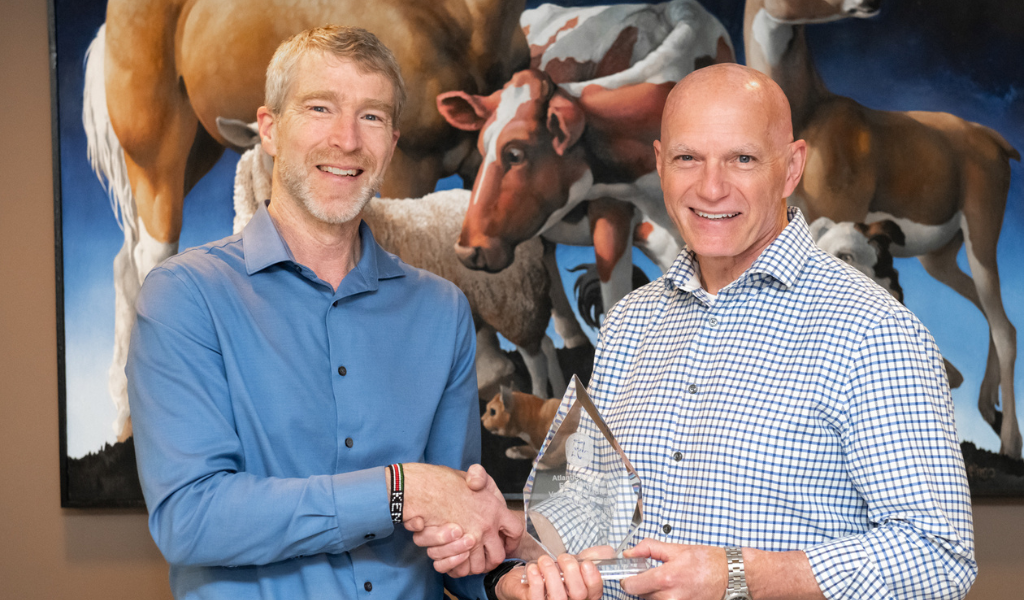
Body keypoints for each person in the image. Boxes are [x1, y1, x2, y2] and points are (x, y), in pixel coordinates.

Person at [427, 63, 976, 600]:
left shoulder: (874, 331)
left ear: (791, 167)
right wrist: (519, 538)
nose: (712, 188)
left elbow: (939, 558)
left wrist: (738, 575)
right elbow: (593, 499)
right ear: (661, 164)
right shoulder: (630, 321)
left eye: (742, 158)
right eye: (688, 158)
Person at [126, 25, 522, 600]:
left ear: (391, 143)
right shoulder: (185, 297)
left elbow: (451, 530)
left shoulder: (443, 311)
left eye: (372, 117)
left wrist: (506, 578)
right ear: (269, 129)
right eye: (319, 108)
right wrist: (397, 489)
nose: (346, 139)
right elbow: (191, 519)